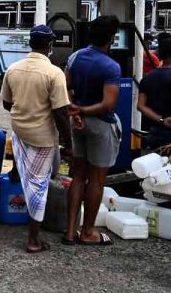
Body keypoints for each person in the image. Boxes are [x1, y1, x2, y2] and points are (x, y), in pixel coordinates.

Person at [0, 25, 73, 253]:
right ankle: (33, 240)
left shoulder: (13, 69)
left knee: (26, 172)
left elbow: (6, 103)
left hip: (19, 131)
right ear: (49, 46)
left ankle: (16, 173)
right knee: (39, 186)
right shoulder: (54, 73)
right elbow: (61, 112)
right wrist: (68, 143)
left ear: (30, 43)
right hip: (42, 138)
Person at [64, 15, 122, 246]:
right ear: (111, 38)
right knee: (97, 179)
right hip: (100, 124)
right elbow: (108, 104)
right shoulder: (111, 66)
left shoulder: (75, 57)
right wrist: (84, 110)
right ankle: (88, 231)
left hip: (78, 124)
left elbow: (66, 86)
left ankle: (70, 231)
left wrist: (75, 112)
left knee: (77, 176)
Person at [138, 36, 171, 150]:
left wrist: (161, 120)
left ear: (160, 55)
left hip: (154, 133)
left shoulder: (147, 78)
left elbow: (140, 106)